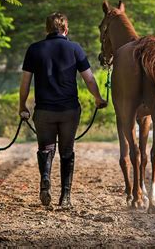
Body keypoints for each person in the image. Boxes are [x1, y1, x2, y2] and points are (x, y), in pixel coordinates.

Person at [19, 12, 107, 208]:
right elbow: (89, 79)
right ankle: (65, 197)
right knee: (67, 151)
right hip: (69, 110)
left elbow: (25, 82)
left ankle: (45, 181)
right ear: (66, 29)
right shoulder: (75, 48)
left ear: (47, 29)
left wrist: (22, 106)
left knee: (46, 148)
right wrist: (98, 98)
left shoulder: (34, 49)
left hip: (44, 111)